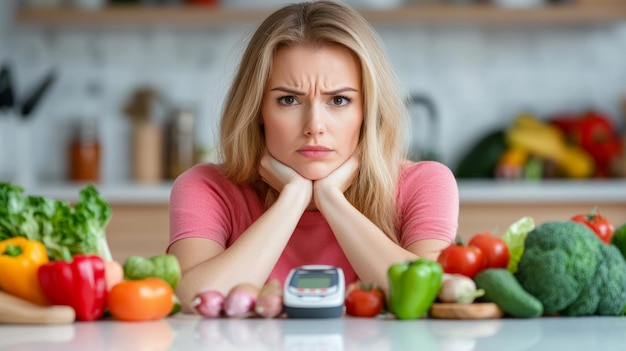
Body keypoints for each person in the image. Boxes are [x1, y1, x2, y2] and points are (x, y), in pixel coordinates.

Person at [167, 0, 459, 313]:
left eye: (339, 100)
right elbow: (193, 299)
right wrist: (292, 199)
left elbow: (431, 295)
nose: (314, 127)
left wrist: (331, 200)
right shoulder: (206, 187)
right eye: (289, 99)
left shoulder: (424, 183)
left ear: (368, 111)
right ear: (257, 109)